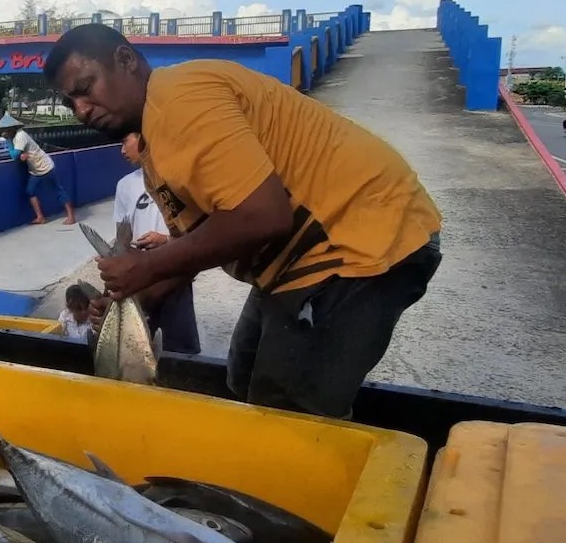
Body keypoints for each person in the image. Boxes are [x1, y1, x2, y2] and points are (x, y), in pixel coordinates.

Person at [43, 24, 443, 419]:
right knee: (244, 377)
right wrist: (123, 299)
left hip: (357, 238)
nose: (81, 110)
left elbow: (263, 216)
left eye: (86, 88)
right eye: (70, 103)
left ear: (125, 60)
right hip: (294, 262)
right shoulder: (155, 146)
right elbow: (191, 250)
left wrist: (144, 265)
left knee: (288, 412)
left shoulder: (181, 100)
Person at [112, 132, 201, 355]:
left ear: (143, 137)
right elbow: (122, 234)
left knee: (180, 348)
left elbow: (200, 232)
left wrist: (165, 240)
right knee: (138, 347)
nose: (122, 151)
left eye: (124, 142)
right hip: (140, 276)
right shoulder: (125, 185)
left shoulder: (179, 177)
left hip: (175, 272)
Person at [0, 115, 77, 225]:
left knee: (58, 190)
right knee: (30, 191)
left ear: (11, 128)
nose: (4, 132)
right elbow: (18, 154)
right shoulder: (16, 136)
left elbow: (14, 155)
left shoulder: (20, 136)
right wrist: (20, 155)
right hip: (35, 170)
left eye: (5, 130)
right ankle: (40, 217)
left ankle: (71, 216)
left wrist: (9, 141)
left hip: (45, 166)